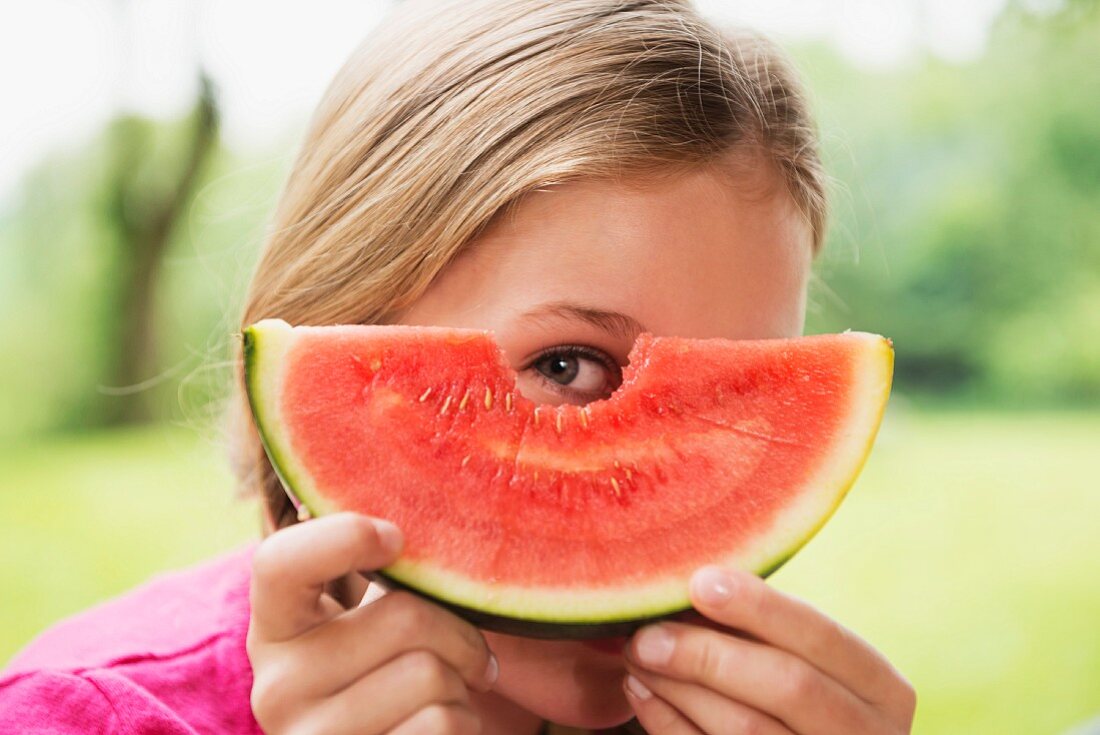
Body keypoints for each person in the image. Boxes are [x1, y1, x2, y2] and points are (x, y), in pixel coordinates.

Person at [0, 0, 916, 732]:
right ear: (341, 323)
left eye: (732, 404)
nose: (659, 521)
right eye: (566, 365)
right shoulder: (81, 715)